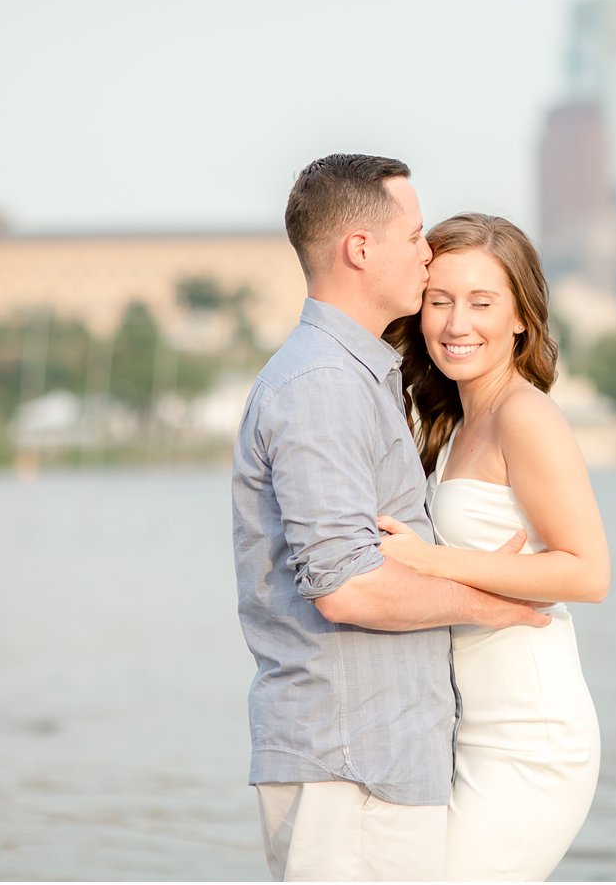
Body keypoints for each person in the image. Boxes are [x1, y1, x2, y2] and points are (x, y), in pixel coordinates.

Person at [231, 155, 550, 883]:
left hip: (379, 757)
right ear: (360, 250)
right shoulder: (321, 386)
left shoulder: (358, 376)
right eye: (413, 236)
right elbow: (348, 588)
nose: (427, 252)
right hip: (351, 761)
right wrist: (497, 601)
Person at [378, 213, 609, 880]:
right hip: (472, 728)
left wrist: (432, 560)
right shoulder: (456, 417)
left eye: (482, 303)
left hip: (532, 735)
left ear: (520, 318)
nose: (457, 323)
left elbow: (590, 572)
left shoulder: (523, 414)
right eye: (439, 300)